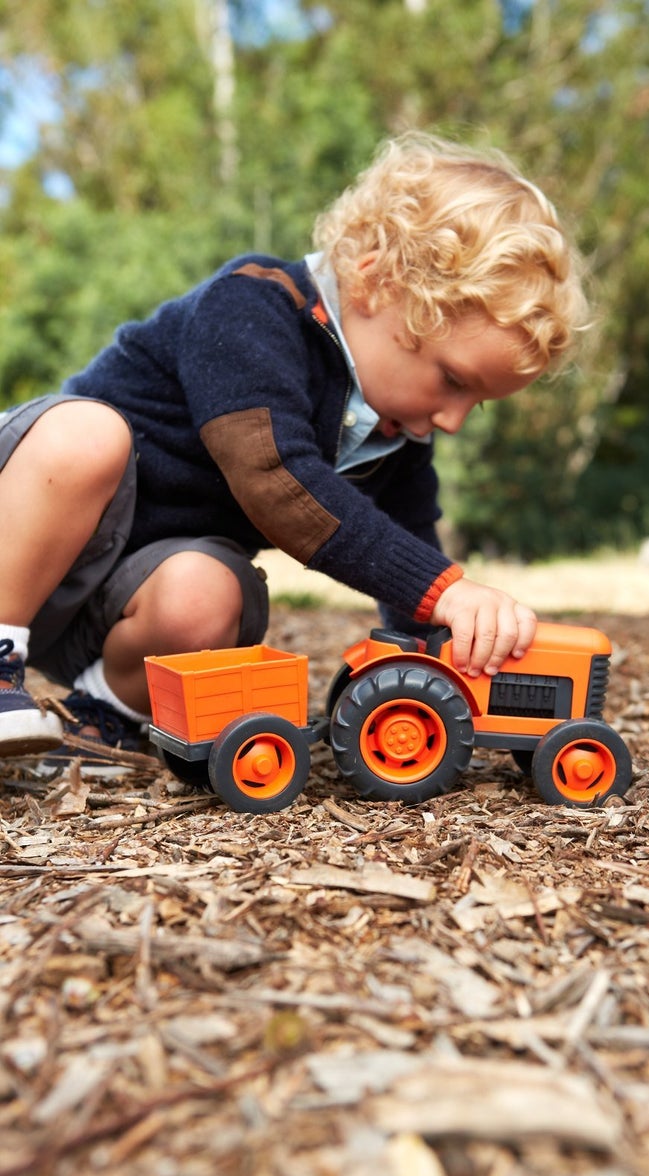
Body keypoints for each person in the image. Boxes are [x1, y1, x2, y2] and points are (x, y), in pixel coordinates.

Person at [0, 130, 589, 760]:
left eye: (476, 404)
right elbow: (274, 475)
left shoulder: (390, 430)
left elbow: (411, 555)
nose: (451, 421)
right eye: (452, 381)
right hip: (27, 543)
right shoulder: (250, 309)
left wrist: (451, 658)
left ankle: (99, 713)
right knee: (86, 435)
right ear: (377, 281)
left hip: (112, 608)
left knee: (209, 593)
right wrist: (445, 587)